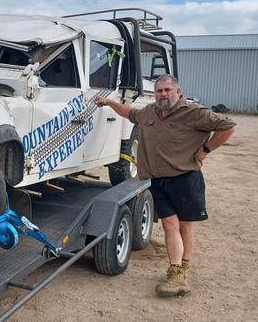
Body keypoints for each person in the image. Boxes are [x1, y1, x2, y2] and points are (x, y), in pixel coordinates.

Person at [95, 74, 236, 297]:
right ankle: (175, 269)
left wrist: (205, 151)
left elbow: (227, 126)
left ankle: (182, 269)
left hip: (186, 179)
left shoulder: (194, 112)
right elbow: (130, 114)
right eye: (159, 91)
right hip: (158, 180)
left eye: (167, 90)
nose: (163, 94)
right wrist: (110, 102)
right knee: (170, 225)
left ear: (177, 92)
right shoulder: (150, 112)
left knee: (185, 226)